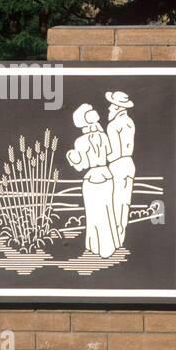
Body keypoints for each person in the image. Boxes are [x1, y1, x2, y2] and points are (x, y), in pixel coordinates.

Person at [65, 103, 118, 258]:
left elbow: (81, 166)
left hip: (91, 178)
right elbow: (109, 155)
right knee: (107, 211)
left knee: (94, 212)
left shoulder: (80, 142)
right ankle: (109, 246)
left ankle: (95, 246)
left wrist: (71, 157)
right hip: (107, 176)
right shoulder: (103, 136)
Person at [104, 91, 136, 247]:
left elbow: (115, 153)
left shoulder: (113, 125)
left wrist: (103, 156)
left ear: (118, 107)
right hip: (129, 164)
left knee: (116, 203)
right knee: (124, 204)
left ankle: (115, 241)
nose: (109, 108)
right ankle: (120, 239)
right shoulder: (130, 122)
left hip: (118, 165)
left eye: (112, 105)